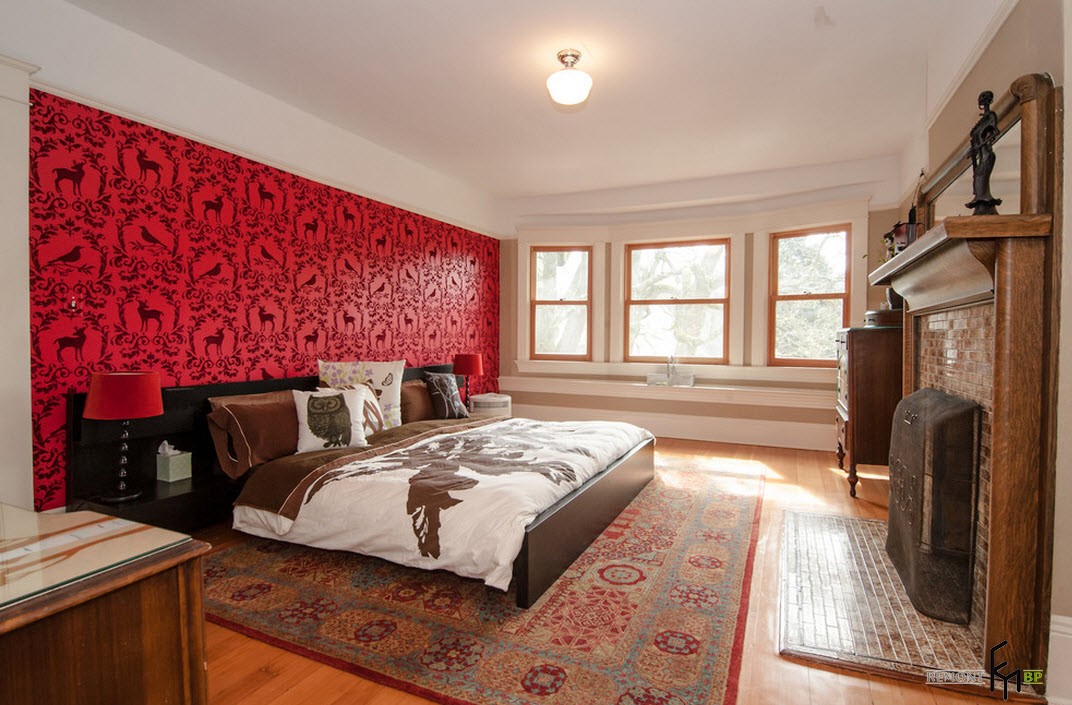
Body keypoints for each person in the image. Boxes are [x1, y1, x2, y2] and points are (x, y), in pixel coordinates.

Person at [966, 90, 1002, 215]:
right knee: (977, 181)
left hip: (986, 154)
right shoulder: (982, 120)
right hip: (980, 154)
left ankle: (985, 206)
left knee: (981, 182)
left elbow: (995, 133)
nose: (981, 101)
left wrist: (979, 146)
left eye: (984, 98)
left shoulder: (991, 116)